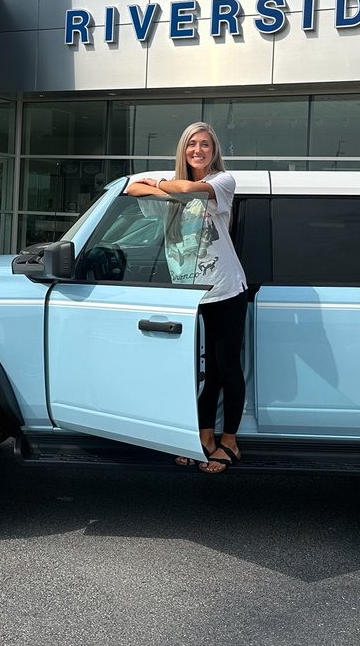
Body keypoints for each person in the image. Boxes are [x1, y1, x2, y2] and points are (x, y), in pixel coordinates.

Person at [125, 122, 248, 474]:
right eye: (192, 144)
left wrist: (162, 187)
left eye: (205, 144)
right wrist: (172, 191)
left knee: (227, 367)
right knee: (203, 371)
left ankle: (230, 442)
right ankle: (205, 437)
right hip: (190, 296)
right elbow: (133, 188)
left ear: (214, 150)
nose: (198, 150)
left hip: (225, 289)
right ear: (183, 150)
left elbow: (193, 188)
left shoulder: (222, 181)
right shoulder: (178, 185)